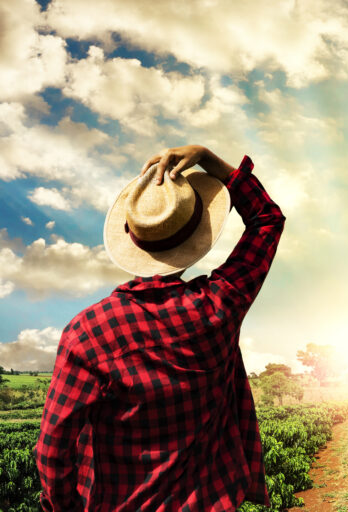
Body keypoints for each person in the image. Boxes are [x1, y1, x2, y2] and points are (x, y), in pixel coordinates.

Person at [34, 145, 285, 511]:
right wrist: (207, 158)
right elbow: (267, 220)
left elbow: (53, 449)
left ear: (130, 235)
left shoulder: (87, 333)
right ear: (197, 236)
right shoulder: (220, 305)